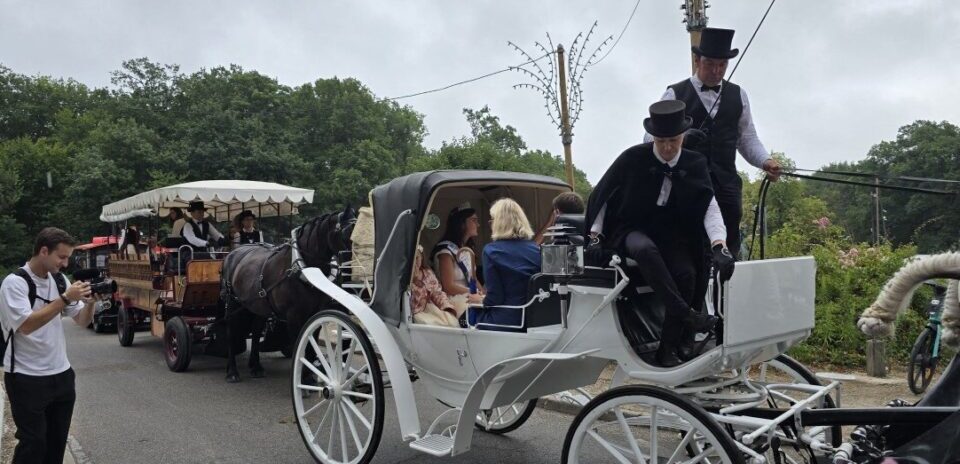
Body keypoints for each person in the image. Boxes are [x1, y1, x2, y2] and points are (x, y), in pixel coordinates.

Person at [587, 100, 736, 367]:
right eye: (661, 141)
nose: (667, 147)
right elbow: (603, 195)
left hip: (671, 233)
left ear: (683, 137)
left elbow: (709, 206)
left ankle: (667, 349)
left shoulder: (695, 162)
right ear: (653, 138)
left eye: (673, 141)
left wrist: (719, 245)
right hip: (631, 227)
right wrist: (595, 236)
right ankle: (687, 314)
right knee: (645, 250)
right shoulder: (632, 158)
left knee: (688, 274)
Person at [646, 27, 781, 257]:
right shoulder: (675, 93)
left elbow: (747, 138)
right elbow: (650, 137)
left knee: (728, 246)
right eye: (710, 64)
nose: (716, 71)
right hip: (686, 185)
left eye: (722, 65)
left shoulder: (739, 95)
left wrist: (766, 161)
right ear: (697, 60)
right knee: (687, 246)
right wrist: (681, 138)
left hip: (726, 186)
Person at [0, 227, 94, 463]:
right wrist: (65, 298)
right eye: (61, 257)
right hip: (26, 377)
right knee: (33, 443)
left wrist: (91, 303)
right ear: (44, 251)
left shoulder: (60, 280)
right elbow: (26, 325)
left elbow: (82, 321)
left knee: (55, 444)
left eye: (68, 258)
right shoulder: (14, 283)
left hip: (61, 375)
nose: (65, 264)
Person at [473, 198, 541, 331]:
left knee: (465, 319)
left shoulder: (491, 251)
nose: (490, 224)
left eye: (492, 220)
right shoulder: (536, 248)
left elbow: (495, 298)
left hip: (506, 320)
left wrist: (480, 300)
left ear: (499, 223)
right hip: (535, 320)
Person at [433, 204, 485, 304]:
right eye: (474, 220)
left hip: (471, 296)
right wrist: (474, 292)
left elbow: (473, 278)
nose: (478, 224)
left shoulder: (467, 250)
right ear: (461, 224)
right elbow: (448, 287)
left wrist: (483, 294)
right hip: (454, 300)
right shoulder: (445, 252)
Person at [410, 246, 460, 327]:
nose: (414, 262)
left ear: (421, 258)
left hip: (432, 309)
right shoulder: (405, 278)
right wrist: (413, 280)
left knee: (450, 321)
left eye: (417, 258)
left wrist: (446, 306)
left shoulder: (428, 273)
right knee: (427, 323)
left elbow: (437, 292)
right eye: (412, 259)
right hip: (416, 312)